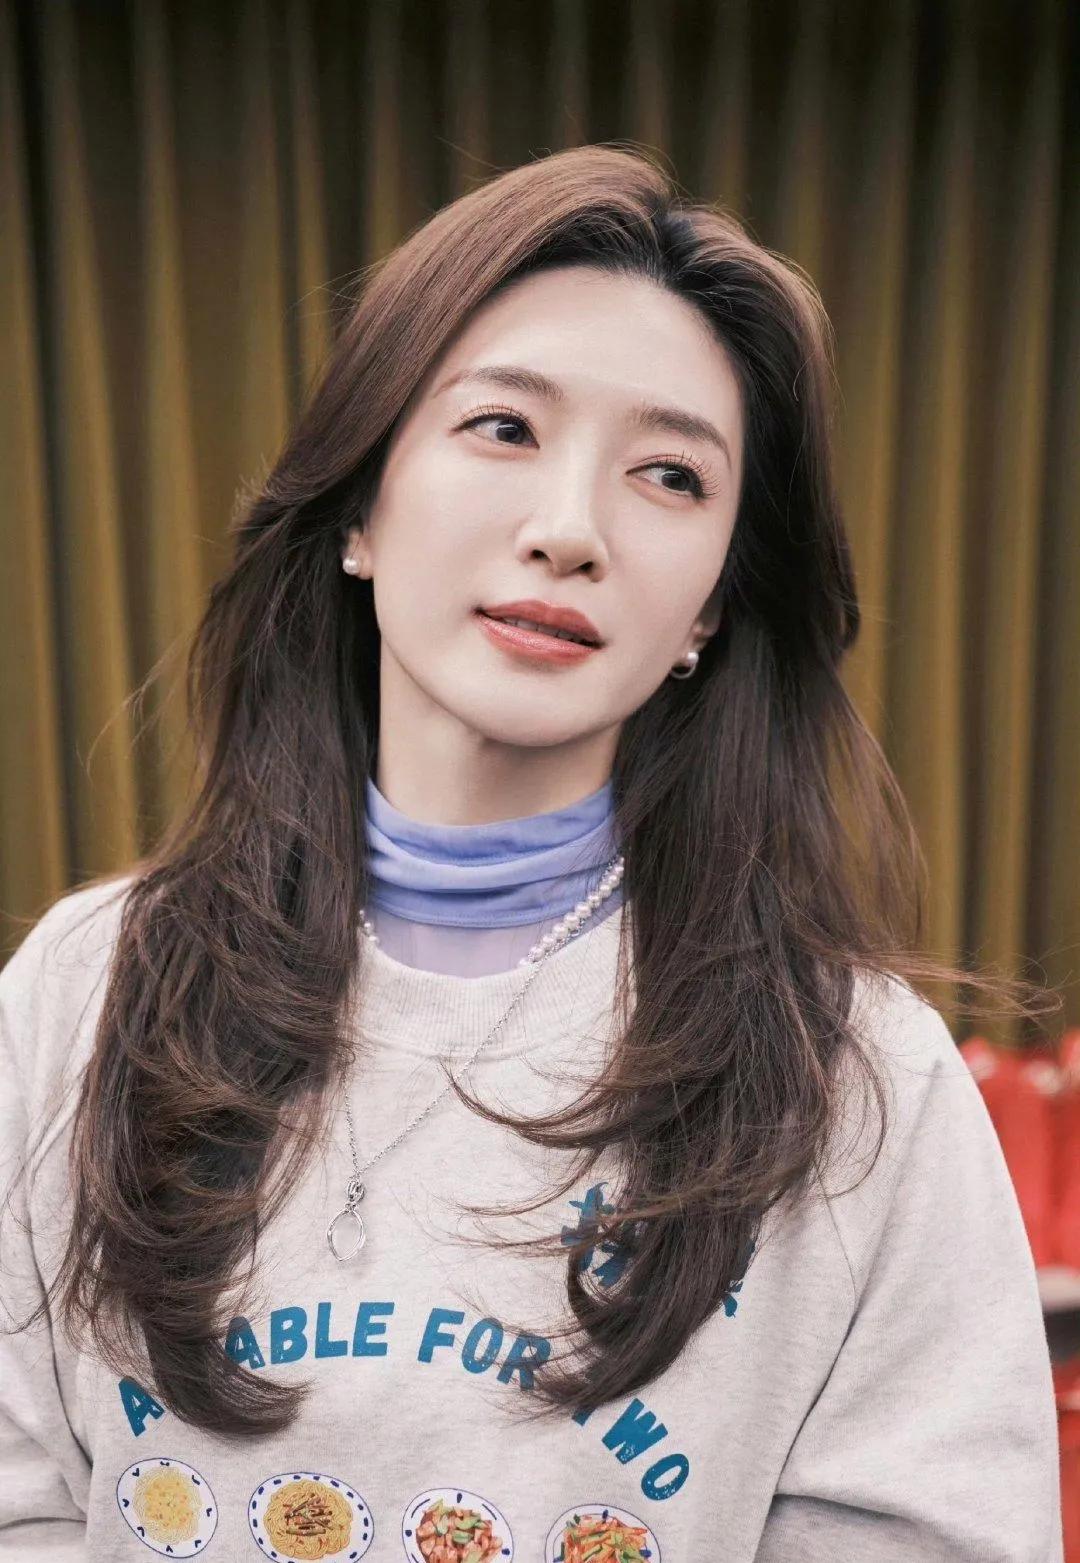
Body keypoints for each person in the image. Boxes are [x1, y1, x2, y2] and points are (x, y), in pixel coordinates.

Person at [0, 144, 1062, 1562]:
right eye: (503, 428)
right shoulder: (85, 991)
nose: (569, 531)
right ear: (362, 506)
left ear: (709, 609)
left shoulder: (859, 1081)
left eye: (671, 475)